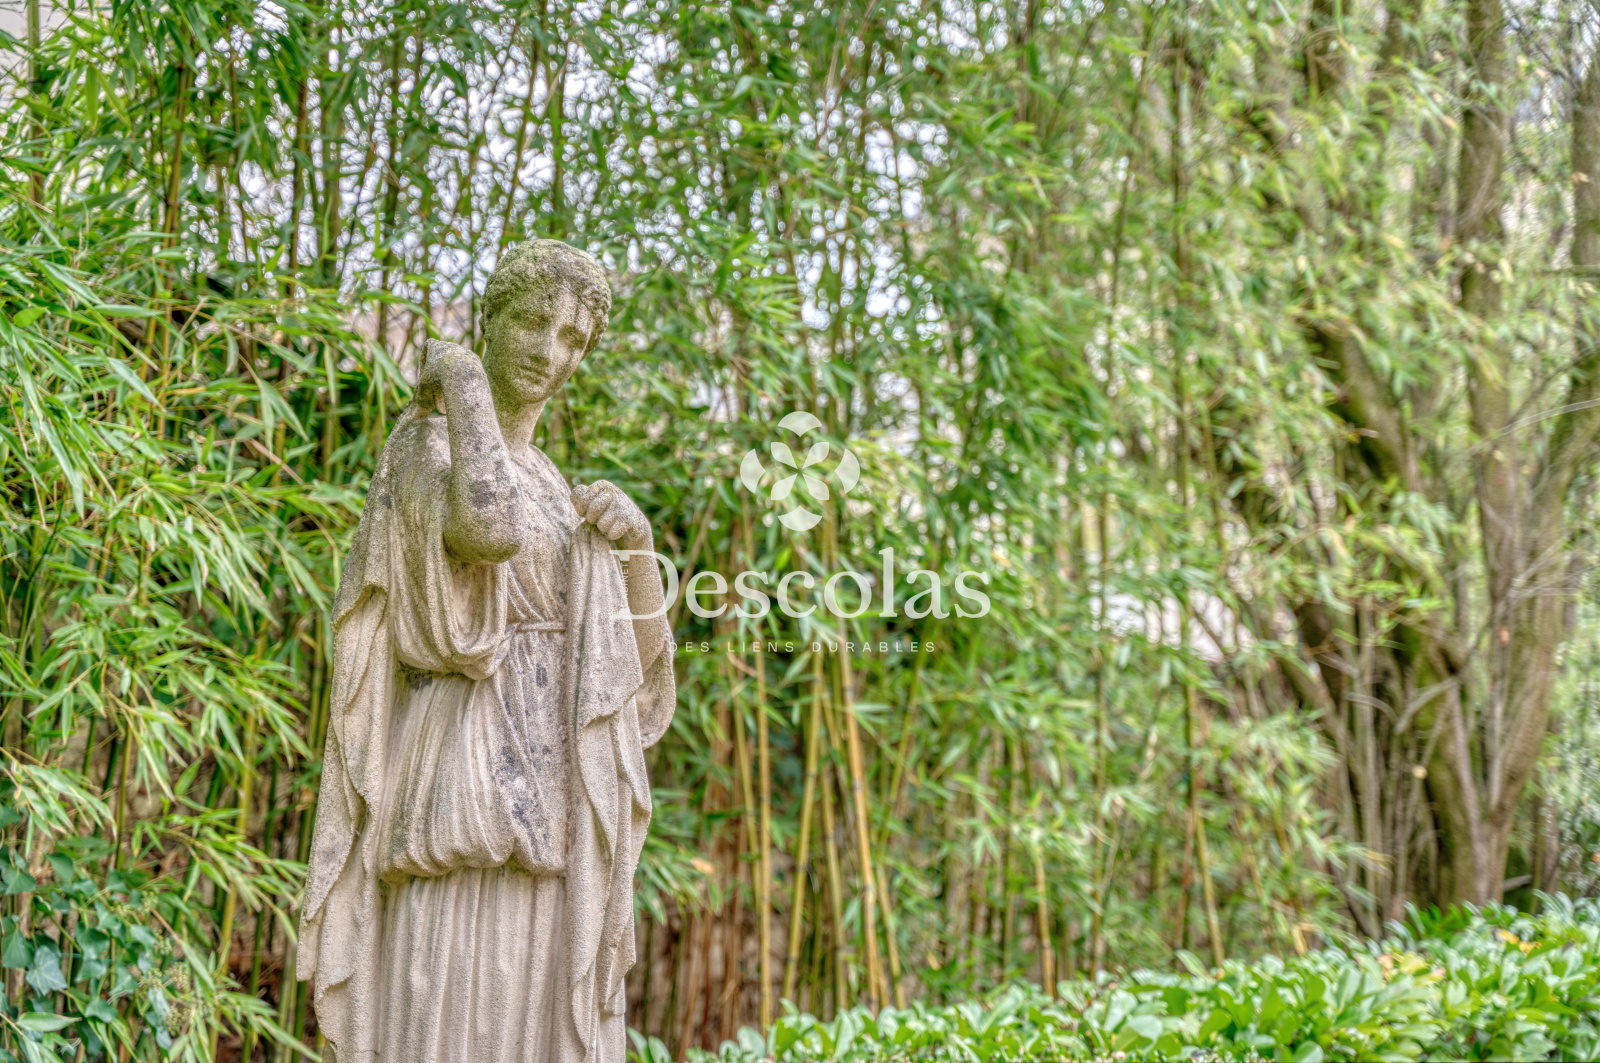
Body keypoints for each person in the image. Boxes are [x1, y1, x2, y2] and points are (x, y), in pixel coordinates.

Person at [298, 240, 675, 1063]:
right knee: (451, 1000)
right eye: (534, 322)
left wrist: (639, 547)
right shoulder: (426, 449)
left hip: (552, 788)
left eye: (573, 339)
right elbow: (487, 530)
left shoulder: (555, 486)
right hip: (459, 775)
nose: (550, 352)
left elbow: (637, 679)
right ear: (491, 317)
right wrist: (462, 378)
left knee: (528, 1012)